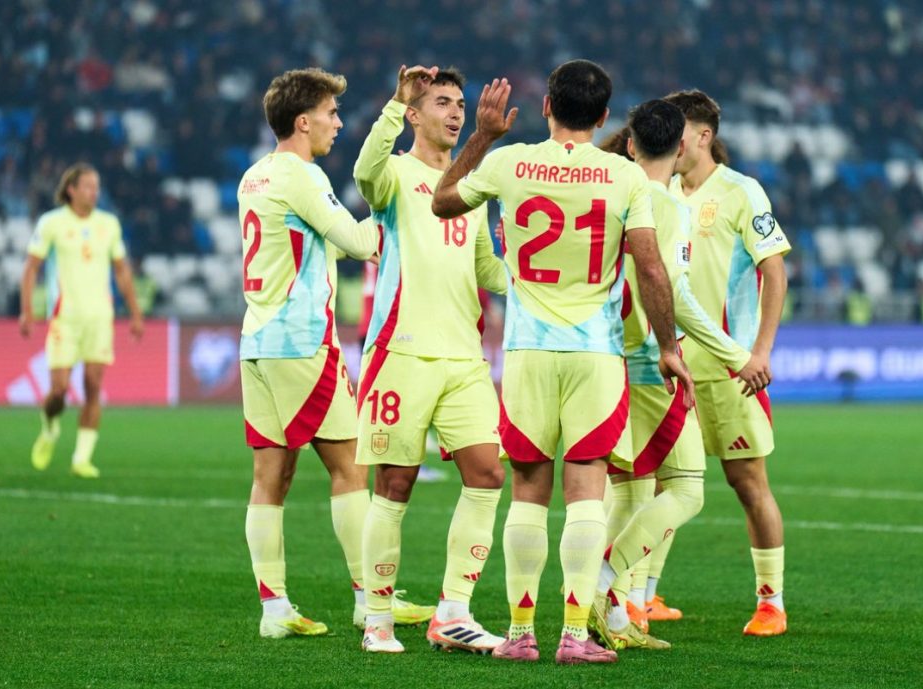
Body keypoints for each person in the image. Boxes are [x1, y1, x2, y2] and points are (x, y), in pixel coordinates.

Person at [433, 59, 694, 664]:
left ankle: (521, 634)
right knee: (585, 491)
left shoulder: (507, 162)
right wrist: (667, 346)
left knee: (527, 488)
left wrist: (482, 135)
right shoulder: (624, 177)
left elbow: (444, 201)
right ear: (605, 117)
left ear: (547, 107)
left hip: (527, 352)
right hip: (595, 357)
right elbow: (651, 268)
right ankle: (574, 633)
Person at [237, 67, 430, 640]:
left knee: (270, 475)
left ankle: (275, 610)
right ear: (304, 121)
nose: (338, 124)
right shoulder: (303, 174)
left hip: (257, 340)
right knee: (350, 468)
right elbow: (357, 241)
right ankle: (372, 599)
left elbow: (316, 244)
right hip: (302, 342)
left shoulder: (255, 176)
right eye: (331, 113)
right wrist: (410, 215)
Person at [589, 101, 760, 650]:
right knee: (687, 489)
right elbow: (677, 297)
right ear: (681, 146)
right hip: (650, 365)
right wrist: (736, 355)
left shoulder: (611, 190)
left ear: (632, 144)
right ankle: (601, 581)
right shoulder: (666, 204)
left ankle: (615, 618)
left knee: (632, 486)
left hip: (606, 359)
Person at [353, 65, 507, 654]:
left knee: (488, 474)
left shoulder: (470, 191)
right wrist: (393, 102)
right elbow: (364, 169)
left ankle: (453, 611)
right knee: (394, 482)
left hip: (464, 357)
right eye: (441, 102)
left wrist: (541, 277)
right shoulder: (393, 175)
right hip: (403, 352)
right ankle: (379, 620)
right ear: (415, 115)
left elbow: (485, 268)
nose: (456, 111)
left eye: (460, 103)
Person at [667, 89, 791, 636]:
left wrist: (759, 351)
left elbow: (775, 272)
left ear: (703, 136)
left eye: (678, 130)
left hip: (731, 368)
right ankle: (643, 597)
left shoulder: (742, 191)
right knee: (659, 480)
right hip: (671, 365)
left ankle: (771, 603)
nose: (668, 139)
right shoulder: (660, 190)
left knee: (746, 481)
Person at [19, 162, 144, 479]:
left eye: (96, 186)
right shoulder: (52, 223)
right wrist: (26, 310)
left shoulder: (109, 224)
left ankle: (82, 458)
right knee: (59, 390)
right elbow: (31, 267)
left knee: (93, 386)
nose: (94, 191)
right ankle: (49, 428)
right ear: (71, 189)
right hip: (65, 319)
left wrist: (135, 312)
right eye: (87, 185)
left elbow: (121, 270)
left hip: (100, 318)